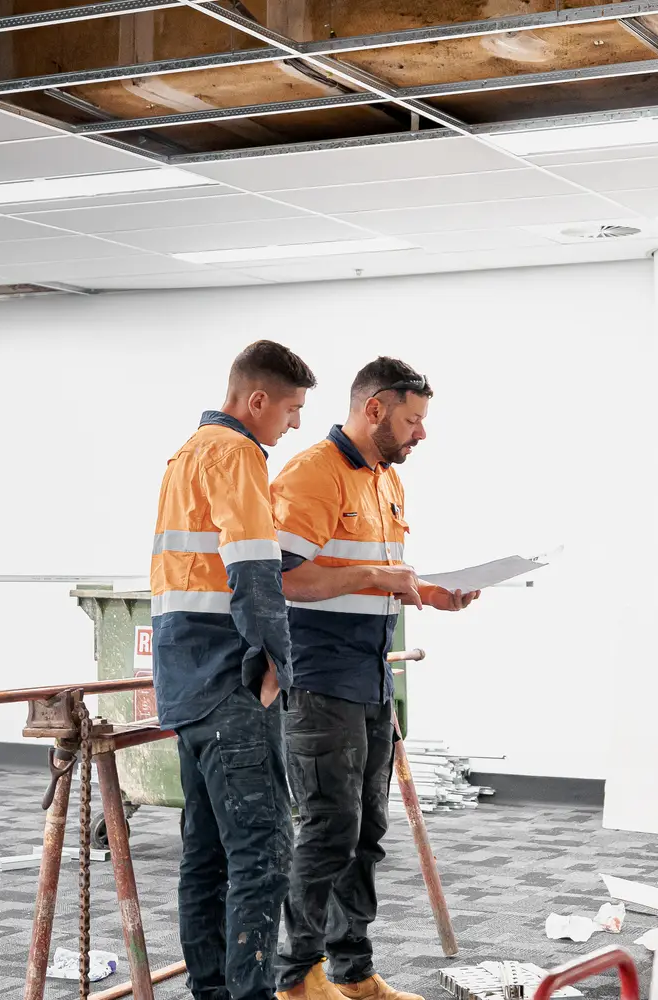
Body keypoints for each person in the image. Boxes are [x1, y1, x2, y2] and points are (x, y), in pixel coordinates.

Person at [271, 357, 479, 1000]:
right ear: (373, 409)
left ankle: (352, 973)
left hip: (369, 675)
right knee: (329, 828)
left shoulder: (386, 481)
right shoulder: (312, 474)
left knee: (365, 834)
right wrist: (372, 579)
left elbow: (377, 575)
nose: (422, 433)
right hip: (318, 676)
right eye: (412, 420)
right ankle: (296, 974)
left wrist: (433, 593)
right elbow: (279, 579)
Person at [150, 340, 316, 1000]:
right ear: (257, 401)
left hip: (187, 679)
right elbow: (253, 571)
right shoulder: (237, 452)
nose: (296, 423)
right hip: (227, 684)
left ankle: (212, 991)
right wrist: (280, 662)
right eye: (292, 408)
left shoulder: (186, 455)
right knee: (264, 849)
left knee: (208, 853)